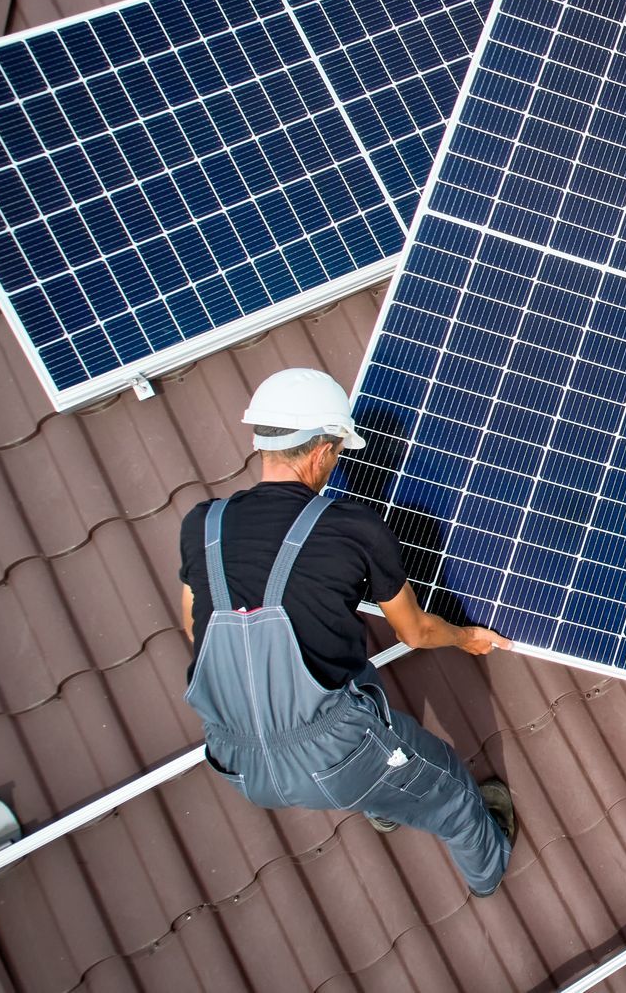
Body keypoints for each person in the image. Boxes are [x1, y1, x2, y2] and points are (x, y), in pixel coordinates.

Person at [178, 368, 517, 898]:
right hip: (330, 757)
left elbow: (196, 624)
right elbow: (416, 631)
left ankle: (380, 797)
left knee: (354, 685)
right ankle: (489, 869)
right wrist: (466, 637)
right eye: (336, 451)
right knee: (449, 787)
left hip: (236, 757)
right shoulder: (354, 527)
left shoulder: (203, 524)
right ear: (319, 454)